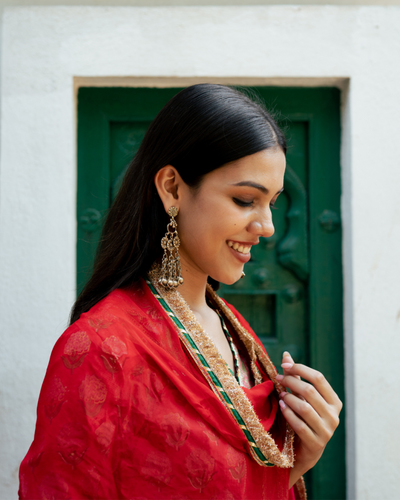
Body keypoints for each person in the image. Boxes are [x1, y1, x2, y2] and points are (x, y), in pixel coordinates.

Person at [19, 84, 342, 500]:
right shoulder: (100, 349)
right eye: (246, 200)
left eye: (273, 203)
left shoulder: (233, 332)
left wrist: (299, 458)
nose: (267, 227)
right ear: (173, 188)